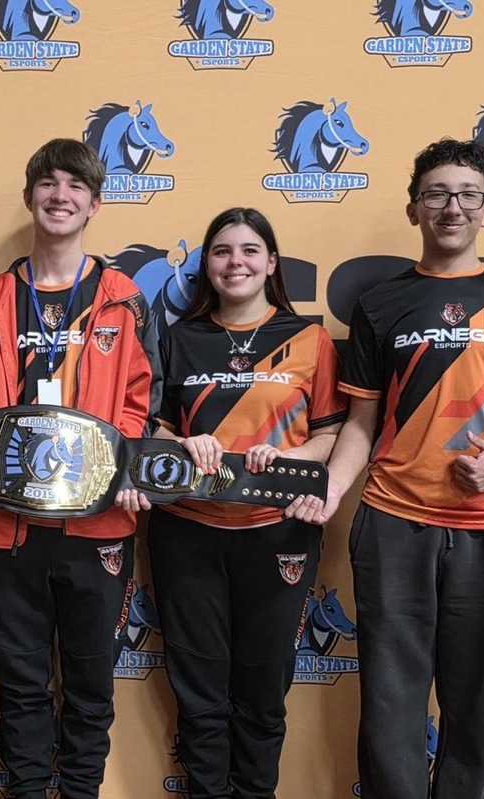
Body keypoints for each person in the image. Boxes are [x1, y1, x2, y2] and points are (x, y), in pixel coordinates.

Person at [290, 138, 484, 799]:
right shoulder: (379, 305)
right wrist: (330, 489)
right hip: (392, 524)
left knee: (475, 708)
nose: (452, 206)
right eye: (437, 194)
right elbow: (360, 424)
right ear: (414, 209)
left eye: (467, 194)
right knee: (390, 707)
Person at [0, 138, 162, 799]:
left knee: (90, 682)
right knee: (19, 684)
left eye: (76, 185)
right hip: (7, 525)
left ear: (95, 204)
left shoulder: (124, 299)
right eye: (47, 182)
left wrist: (124, 466)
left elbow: (144, 400)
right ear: (29, 197)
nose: (60, 195)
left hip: (97, 524)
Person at [125, 207, 346, 799]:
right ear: (206, 265)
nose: (236, 262)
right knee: (198, 691)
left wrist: (291, 457)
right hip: (188, 530)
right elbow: (150, 426)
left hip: (278, 530)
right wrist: (180, 443)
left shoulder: (308, 339)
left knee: (263, 692)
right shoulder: (178, 338)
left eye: (250, 250)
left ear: (271, 262)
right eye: (222, 251)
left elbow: (330, 433)